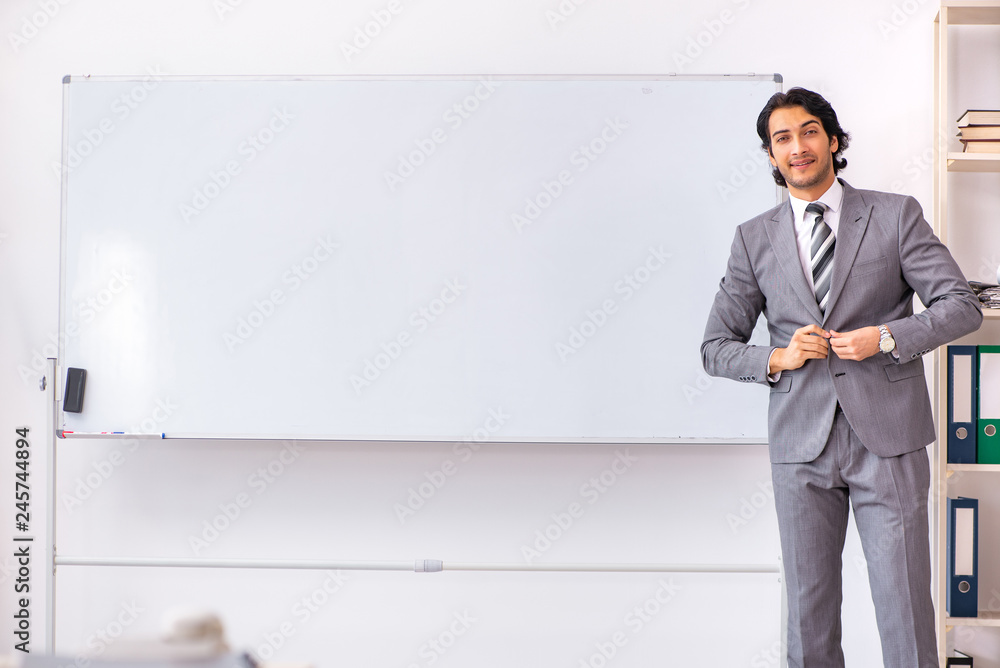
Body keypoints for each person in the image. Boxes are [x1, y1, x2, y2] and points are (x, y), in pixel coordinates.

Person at [701, 87, 982, 667]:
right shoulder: (754, 238)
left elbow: (960, 305)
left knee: (903, 603)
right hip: (801, 444)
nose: (797, 147)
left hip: (890, 439)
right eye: (782, 139)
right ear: (771, 157)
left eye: (808, 132)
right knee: (809, 614)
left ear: (832, 140)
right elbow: (716, 348)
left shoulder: (894, 213)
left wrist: (882, 337)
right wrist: (779, 357)